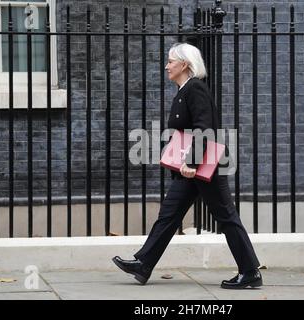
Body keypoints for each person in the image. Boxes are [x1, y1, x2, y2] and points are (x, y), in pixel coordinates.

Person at [112, 43, 262, 289]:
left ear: (185, 64)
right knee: (168, 215)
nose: (167, 66)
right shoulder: (183, 90)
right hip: (188, 169)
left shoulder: (195, 89)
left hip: (204, 167)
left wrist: (192, 162)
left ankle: (250, 272)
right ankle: (144, 263)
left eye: (171, 61)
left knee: (225, 217)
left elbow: (205, 128)